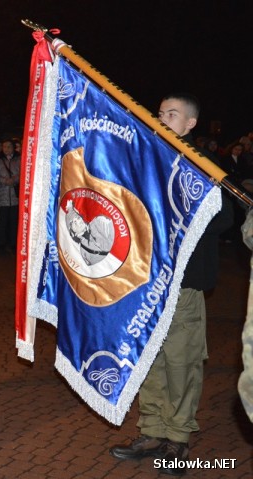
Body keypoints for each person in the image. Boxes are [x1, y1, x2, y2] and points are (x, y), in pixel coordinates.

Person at [109, 93, 233, 476]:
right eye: (160, 112)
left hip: (183, 282)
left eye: (172, 114)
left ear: (191, 124)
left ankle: (177, 439)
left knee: (181, 362)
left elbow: (224, 217)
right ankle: (151, 430)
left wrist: (182, 221)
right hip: (146, 283)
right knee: (149, 360)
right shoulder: (147, 161)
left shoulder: (205, 165)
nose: (163, 118)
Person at [0, 138, 20, 252]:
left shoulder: (19, 159)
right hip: (2, 194)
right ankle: (1, 242)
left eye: (9, 146)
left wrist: (14, 179)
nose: (6, 149)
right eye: (4, 147)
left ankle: (13, 242)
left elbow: (23, 172)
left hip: (15, 196)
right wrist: (5, 181)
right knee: (2, 220)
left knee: (14, 220)